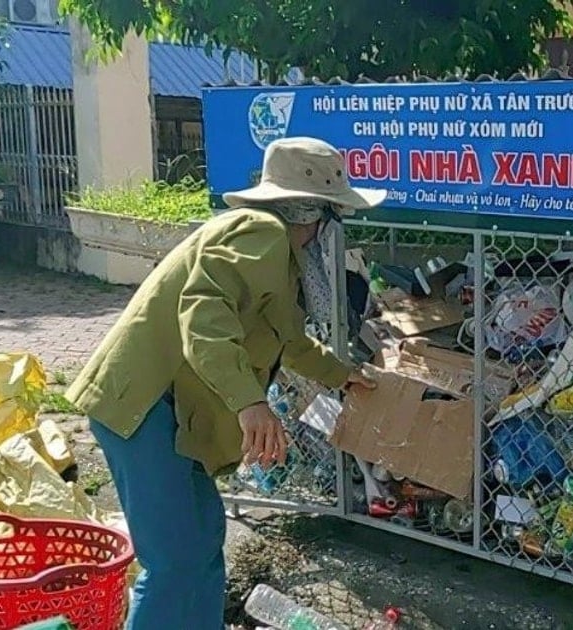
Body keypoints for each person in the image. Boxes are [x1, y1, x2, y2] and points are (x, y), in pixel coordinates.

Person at [66, 137, 383, 630]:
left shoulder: (275, 251)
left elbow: (290, 341)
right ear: (315, 214)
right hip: (145, 409)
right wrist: (250, 403)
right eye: (333, 215)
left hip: (171, 415)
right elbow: (205, 313)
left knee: (203, 542)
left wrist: (346, 377)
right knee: (173, 562)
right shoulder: (260, 232)